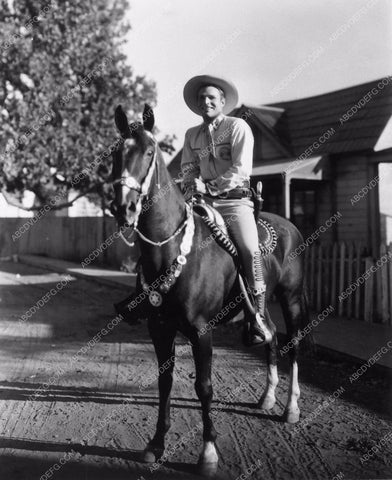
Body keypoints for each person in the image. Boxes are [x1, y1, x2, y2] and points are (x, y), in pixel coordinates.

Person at [181, 74, 266, 345]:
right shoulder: (191, 134)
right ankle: (157, 300)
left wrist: (210, 187)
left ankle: (258, 317)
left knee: (251, 251)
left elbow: (241, 169)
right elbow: (187, 168)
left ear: (223, 102)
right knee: (173, 238)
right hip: (202, 202)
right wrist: (191, 184)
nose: (206, 102)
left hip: (234, 202)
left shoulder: (238, 126)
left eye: (211, 98)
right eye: (202, 98)